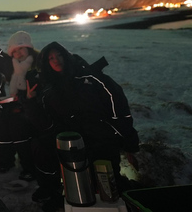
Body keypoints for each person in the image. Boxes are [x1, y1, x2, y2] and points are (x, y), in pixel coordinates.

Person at [25, 42, 140, 210]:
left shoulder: (91, 77)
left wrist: (129, 142)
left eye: (59, 55)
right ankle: (55, 190)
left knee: (105, 185)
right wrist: (29, 100)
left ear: (66, 56)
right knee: (41, 148)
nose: (56, 60)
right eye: (51, 58)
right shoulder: (48, 88)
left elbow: (119, 107)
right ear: (45, 63)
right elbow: (44, 123)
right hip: (70, 139)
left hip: (100, 136)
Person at [0, 27, 39, 177]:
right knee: (0, 125)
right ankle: (6, 161)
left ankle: (29, 167)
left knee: (18, 128)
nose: (18, 54)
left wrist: (26, 98)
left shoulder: (38, 64)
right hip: (16, 104)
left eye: (21, 49)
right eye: (14, 51)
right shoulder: (13, 65)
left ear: (29, 48)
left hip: (34, 107)